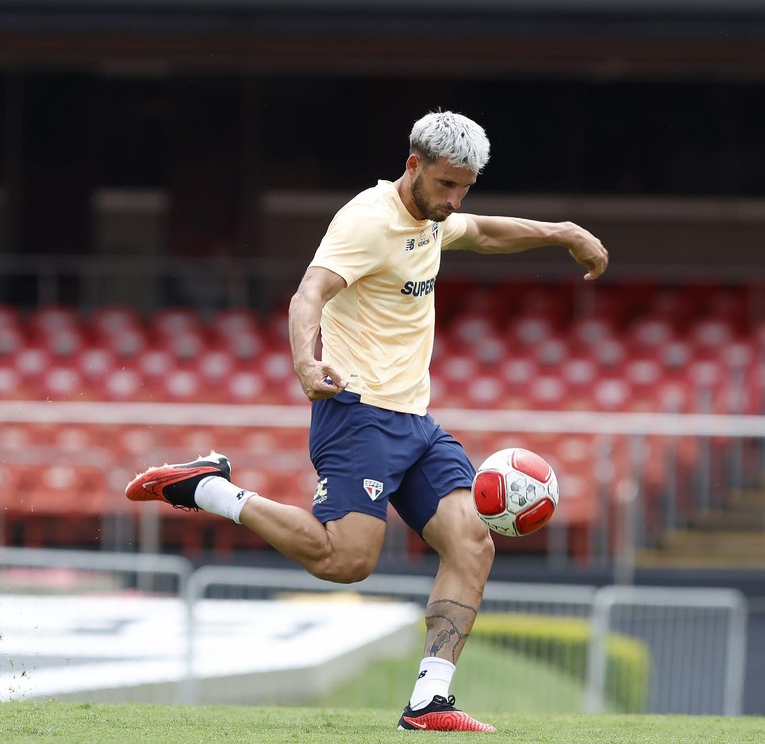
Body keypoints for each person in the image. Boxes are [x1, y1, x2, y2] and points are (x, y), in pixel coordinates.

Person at [126, 110, 608, 732]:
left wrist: (562, 231)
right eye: (446, 185)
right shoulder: (366, 221)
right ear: (413, 165)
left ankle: (430, 701)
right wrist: (306, 360)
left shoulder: (433, 217)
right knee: (345, 561)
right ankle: (208, 486)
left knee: (472, 541)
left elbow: (483, 232)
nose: (454, 199)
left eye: (464, 187)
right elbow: (309, 293)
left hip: (415, 420)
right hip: (358, 415)